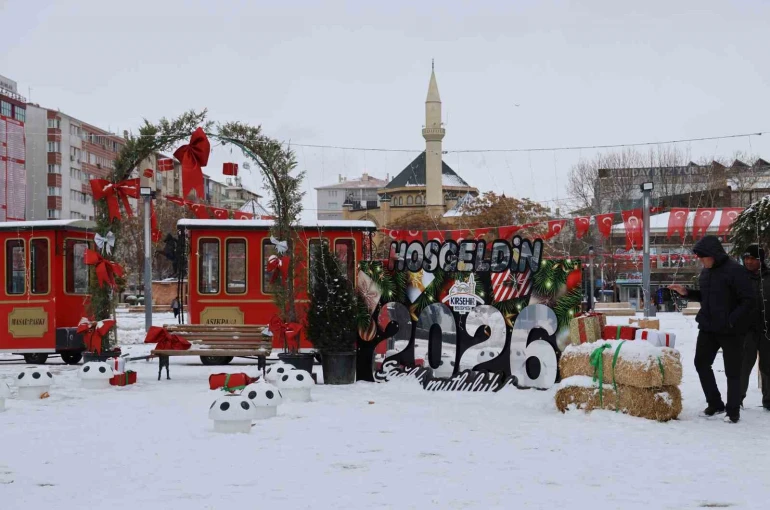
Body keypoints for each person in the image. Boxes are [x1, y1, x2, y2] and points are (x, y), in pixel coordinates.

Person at [669, 235, 754, 423]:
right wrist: (686, 292)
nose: (701, 261)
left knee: (732, 371)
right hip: (708, 327)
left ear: (713, 254)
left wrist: (732, 321)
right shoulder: (706, 272)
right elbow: (706, 297)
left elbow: (748, 300)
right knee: (701, 363)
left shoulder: (736, 271)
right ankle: (715, 403)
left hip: (731, 330)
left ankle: (733, 412)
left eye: (703, 257)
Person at [739, 245, 770, 410]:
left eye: (752, 258)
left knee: (767, 366)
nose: (748, 262)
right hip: (746, 330)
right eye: (746, 258)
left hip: (767, 330)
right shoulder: (739, 278)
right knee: (743, 365)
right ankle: (737, 399)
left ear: (761, 260)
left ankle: (769, 400)